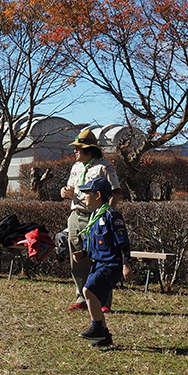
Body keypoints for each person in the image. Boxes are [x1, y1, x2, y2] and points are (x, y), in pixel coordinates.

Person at [60, 128, 122, 311]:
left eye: (78, 148)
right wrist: (65, 192)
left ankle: (103, 301)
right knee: (77, 259)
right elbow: (72, 190)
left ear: (88, 149)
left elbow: (116, 191)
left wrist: (106, 213)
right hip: (76, 216)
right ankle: (82, 298)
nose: (75, 151)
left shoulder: (104, 167)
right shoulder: (76, 167)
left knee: (101, 259)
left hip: (96, 217)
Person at [73, 177, 133, 348]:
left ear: (97, 195)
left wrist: (126, 264)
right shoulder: (94, 215)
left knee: (88, 290)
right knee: (92, 298)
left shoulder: (111, 216)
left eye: (87, 193)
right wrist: (83, 253)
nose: (84, 197)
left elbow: (123, 241)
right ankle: (105, 337)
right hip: (97, 263)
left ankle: (97, 327)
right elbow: (91, 240)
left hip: (110, 264)